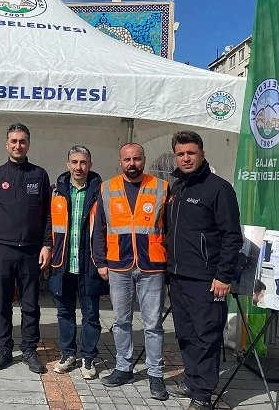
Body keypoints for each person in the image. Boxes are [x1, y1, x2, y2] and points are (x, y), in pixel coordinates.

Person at [164, 131, 243, 410]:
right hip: (178, 276)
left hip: (207, 280)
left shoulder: (219, 189)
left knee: (206, 335)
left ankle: (203, 395)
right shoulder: (177, 188)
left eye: (191, 153)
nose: (186, 158)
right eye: (181, 154)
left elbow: (232, 236)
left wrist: (223, 276)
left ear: (202, 154)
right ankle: (192, 380)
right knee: (185, 334)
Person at [93, 143, 170, 401]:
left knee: (153, 325)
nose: (132, 163)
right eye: (127, 159)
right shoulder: (107, 188)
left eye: (137, 158)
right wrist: (100, 261)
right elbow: (99, 230)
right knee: (121, 322)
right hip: (118, 265)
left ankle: (156, 375)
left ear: (144, 160)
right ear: (120, 161)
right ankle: (123, 368)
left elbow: (170, 228)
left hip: (152, 266)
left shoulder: (161, 187)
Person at [0, 123, 52, 374]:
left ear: (28, 144)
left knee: (31, 304)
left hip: (32, 251)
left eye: (22, 141)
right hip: (3, 249)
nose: (17, 145)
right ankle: (4, 349)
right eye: (13, 141)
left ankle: (30, 350)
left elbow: (47, 215)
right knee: (2, 303)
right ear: (7, 144)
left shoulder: (39, 174)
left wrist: (46, 244)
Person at [49, 145, 105, 380]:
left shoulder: (102, 192)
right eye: (74, 162)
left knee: (91, 314)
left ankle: (89, 357)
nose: (78, 167)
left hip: (89, 262)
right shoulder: (57, 191)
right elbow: (48, 224)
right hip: (63, 261)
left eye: (83, 162)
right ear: (67, 164)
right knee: (64, 312)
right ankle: (68, 354)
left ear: (90, 165)